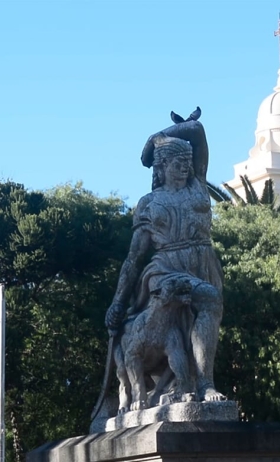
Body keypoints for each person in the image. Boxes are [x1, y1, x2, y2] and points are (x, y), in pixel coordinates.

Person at [105, 116, 226, 403]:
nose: (185, 167)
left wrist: (157, 136)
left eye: (188, 162)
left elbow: (197, 130)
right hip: (165, 270)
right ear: (162, 166)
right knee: (209, 299)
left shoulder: (198, 186)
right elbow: (134, 258)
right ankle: (205, 385)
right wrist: (118, 302)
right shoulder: (150, 203)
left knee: (205, 308)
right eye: (178, 162)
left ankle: (194, 383)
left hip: (203, 263)